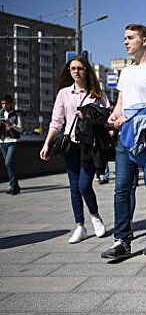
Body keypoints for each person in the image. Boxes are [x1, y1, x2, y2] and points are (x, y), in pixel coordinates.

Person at [101, 24, 146, 259]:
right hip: (126, 139)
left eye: (130, 38)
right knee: (122, 188)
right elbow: (121, 103)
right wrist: (114, 114)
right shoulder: (126, 72)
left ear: (145, 41)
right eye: (124, 38)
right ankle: (122, 240)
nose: (125, 42)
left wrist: (134, 115)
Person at [39, 55, 109, 243]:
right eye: (72, 69)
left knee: (84, 184)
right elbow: (56, 121)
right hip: (71, 145)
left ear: (86, 70)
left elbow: (107, 117)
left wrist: (87, 115)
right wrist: (47, 144)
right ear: (69, 71)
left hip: (90, 146)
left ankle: (95, 217)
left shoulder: (97, 93)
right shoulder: (64, 93)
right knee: (74, 188)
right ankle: (80, 226)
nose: (76, 71)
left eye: (80, 68)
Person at [0, 95, 23, 195]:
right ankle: (15, 186)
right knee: (9, 164)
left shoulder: (16, 115)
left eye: (6, 103)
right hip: (2, 141)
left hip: (13, 141)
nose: (4, 105)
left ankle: (14, 186)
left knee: (8, 162)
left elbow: (20, 129)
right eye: (2, 103)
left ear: (10, 104)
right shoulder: (0, 114)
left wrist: (11, 125)